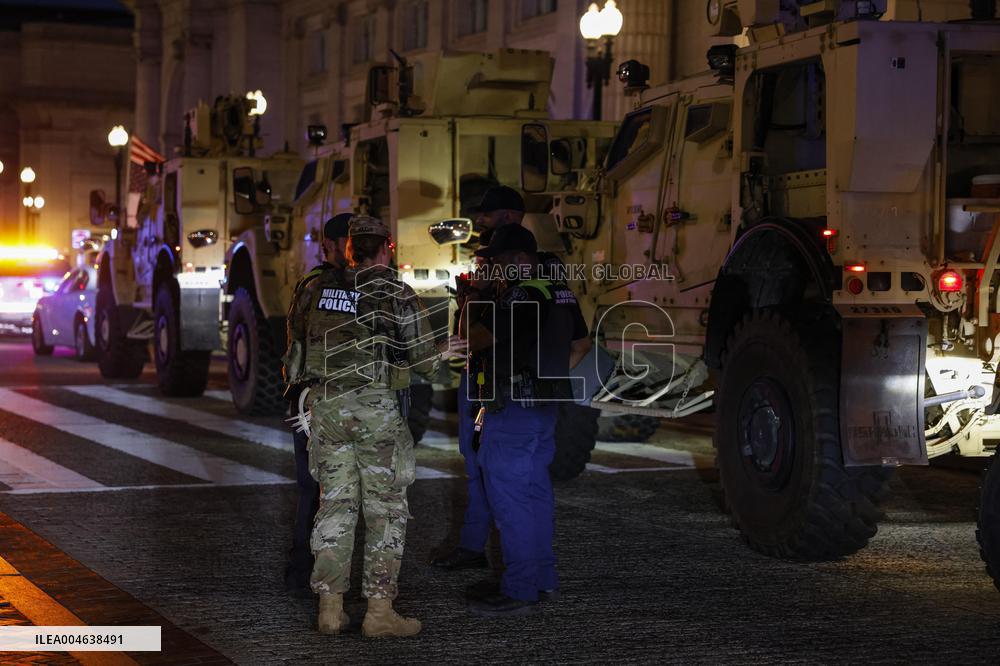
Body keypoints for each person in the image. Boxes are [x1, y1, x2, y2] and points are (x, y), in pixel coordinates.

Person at [283, 215, 438, 637]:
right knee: (385, 511)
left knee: (334, 506)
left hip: (326, 409)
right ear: (385, 246)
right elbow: (425, 360)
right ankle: (379, 613)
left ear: (348, 249)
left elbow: (294, 350)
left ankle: (330, 610)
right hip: (375, 413)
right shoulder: (395, 291)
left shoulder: (315, 288)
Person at [462, 223, 589, 617]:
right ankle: (541, 579)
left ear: (518, 259)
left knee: (511, 500)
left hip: (513, 410)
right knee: (535, 495)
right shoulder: (559, 289)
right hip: (545, 408)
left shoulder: (519, 293)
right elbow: (582, 345)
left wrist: (474, 296)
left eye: (498, 263)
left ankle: (519, 589)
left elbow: (474, 337)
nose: (495, 270)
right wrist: (546, 376)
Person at [430, 185, 526, 572]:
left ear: (508, 215)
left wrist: (476, 294)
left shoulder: (520, 267)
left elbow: (473, 331)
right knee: (475, 465)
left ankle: (514, 568)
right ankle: (474, 547)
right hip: (482, 375)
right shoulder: (496, 263)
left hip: (501, 381)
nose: (480, 222)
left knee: (498, 475)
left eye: (486, 215)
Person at [284, 213, 353, 596]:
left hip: (311, 400)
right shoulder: (374, 286)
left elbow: (295, 346)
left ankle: (302, 573)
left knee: (312, 490)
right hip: (347, 403)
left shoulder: (311, 285)